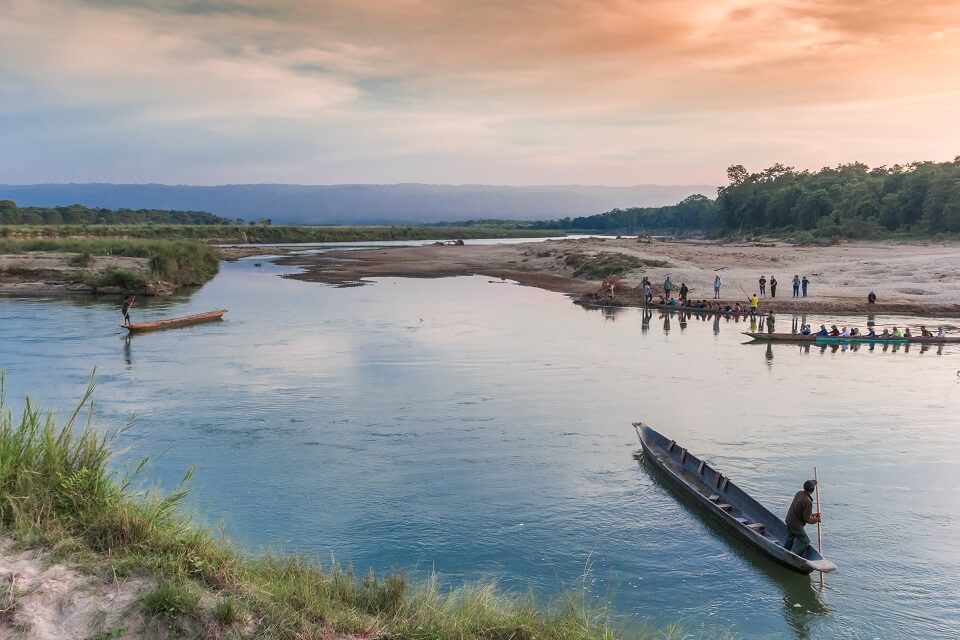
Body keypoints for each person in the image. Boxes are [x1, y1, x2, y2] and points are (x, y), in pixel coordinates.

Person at [783, 480, 821, 556]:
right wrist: (816, 519)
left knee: (790, 536)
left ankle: (784, 552)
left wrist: (813, 515)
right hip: (796, 525)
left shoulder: (799, 493)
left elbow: (800, 512)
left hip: (789, 520)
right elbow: (807, 519)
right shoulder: (808, 501)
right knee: (805, 541)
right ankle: (794, 557)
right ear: (812, 490)